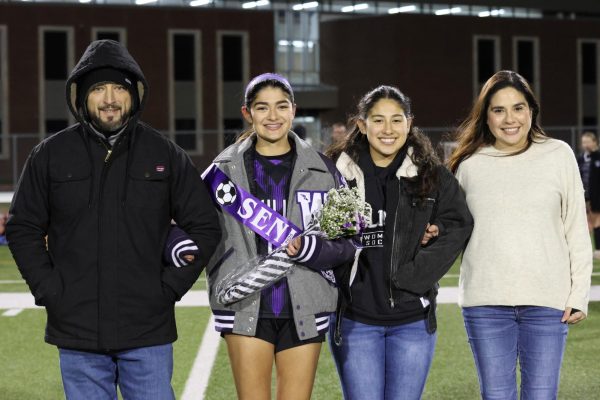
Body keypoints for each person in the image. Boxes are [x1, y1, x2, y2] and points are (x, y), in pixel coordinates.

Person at [6, 39, 221, 399]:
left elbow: (205, 226)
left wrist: (168, 288)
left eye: (119, 88)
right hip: (77, 331)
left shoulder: (164, 153)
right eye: (99, 89)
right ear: (81, 97)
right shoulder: (50, 155)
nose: (110, 99)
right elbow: (23, 227)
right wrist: (49, 290)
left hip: (147, 330)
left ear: (134, 94)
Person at [199, 72, 356, 400]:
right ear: (247, 113)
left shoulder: (324, 170)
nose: (273, 116)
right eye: (262, 108)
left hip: (306, 304)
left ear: (294, 110)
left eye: (281, 106)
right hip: (244, 304)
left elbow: (348, 241)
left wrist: (312, 248)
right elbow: (194, 226)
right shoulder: (222, 171)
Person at [448, 70, 593, 400]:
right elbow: (448, 229)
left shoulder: (558, 154)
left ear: (532, 111)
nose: (509, 119)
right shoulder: (469, 163)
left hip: (547, 304)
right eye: (498, 110)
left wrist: (578, 295)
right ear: (486, 116)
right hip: (485, 304)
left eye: (518, 108)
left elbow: (576, 229)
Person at [325, 85, 473, 400]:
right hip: (354, 321)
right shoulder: (336, 172)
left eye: (397, 120)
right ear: (362, 125)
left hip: (412, 322)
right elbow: (319, 234)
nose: (388, 130)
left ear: (409, 123)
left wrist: (413, 278)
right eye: (378, 120)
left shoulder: (429, 174)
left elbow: (458, 224)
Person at [577, 131, 600, 259]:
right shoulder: (581, 158)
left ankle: (598, 250)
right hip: (584, 196)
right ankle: (583, 251)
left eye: (587, 142)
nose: (585, 144)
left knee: (596, 221)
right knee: (586, 224)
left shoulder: (598, 157)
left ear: (594, 142)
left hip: (596, 196)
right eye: (583, 142)